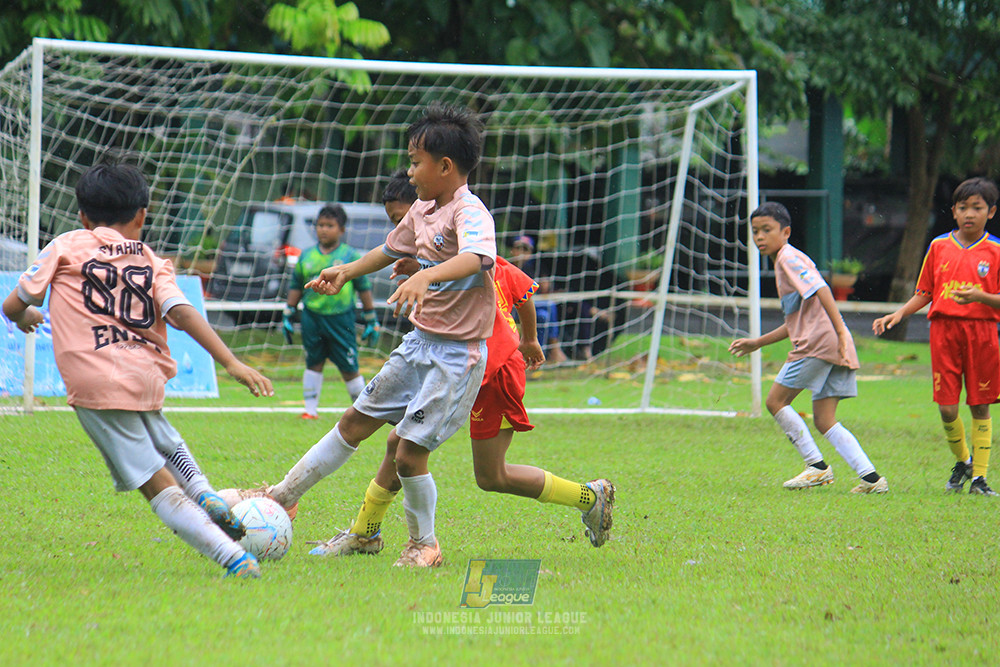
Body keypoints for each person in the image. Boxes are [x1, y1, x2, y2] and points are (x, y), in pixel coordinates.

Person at [240, 103, 498, 568]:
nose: (410, 171)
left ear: (445, 166)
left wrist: (425, 276)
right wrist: (346, 270)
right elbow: (388, 249)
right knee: (353, 422)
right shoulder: (421, 208)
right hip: (419, 343)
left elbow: (478, 258)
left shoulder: (469, 211)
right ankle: (282, 495)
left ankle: (425, 545)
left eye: (416, 162)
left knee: (408, 454)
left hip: (457, 357)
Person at [1, 156, 274, 578]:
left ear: (82, 214)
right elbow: (180, 312)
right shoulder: (150, 259)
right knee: (165, 439)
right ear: (142, 214)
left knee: (154, 480)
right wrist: (232, 362)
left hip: (93, 378)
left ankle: (232, 557)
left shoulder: (68, 244)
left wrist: (24, 318)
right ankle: (203, 490)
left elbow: (13, 304)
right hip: (144, 371)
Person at [308, 252, 616, 558]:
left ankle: (589, 497)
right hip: (460, 367)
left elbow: (522, 292)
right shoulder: (439, 258)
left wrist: (530, 338)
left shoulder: (479, 255)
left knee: (491, 476)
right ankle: (365, 533)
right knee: (400, 444)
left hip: (494, 374)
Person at [729, 202, 888, 494]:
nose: (760, 237)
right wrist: (757, 343)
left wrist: (840, 330)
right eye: (755, 231)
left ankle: (816, 467)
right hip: (832, 343)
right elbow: (796, 321)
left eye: (767, 230)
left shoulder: (787, 259)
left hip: (818, 344)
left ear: (785, 231)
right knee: (825, 419)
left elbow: (821, 288)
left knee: (775, 401)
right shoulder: (788, 260)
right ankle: (871, 478)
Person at [873, 177, 1000, 495]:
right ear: (954, 212)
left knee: (980, 405)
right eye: (962, 207)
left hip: (982, 333)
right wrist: (899, 312)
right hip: (944, 332)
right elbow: (925, 292)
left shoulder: (996, 251)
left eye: (977, 207)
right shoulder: (938, 246)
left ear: (991, 212)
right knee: (946, 408)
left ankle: (980, 479)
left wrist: (980, 297)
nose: (969, 213)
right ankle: (964, 461)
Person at [282, 204, 378, 420]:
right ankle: (310, 410)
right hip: (312, 317)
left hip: (340, 319)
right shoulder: (306, 256)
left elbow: (363, 288)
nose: (324, 229)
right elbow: (296, 286)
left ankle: (363, 410)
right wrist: (288, 313)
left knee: (349, 366)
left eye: (330, 225)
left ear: (341, 229)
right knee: (313, 361)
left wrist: (371, 318)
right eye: (320, 225)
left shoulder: (350, 256)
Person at [509, 235, 568, 363]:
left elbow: (542, 289)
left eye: (526, 249)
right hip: (510, 309)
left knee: (542, 316)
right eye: (519, 248)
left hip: (532, 307)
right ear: (512, 251)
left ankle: (537, 356)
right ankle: (555, 348)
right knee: (549, 306)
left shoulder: (535, 267)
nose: (522, 253)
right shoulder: (506, 268)